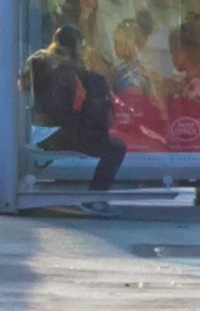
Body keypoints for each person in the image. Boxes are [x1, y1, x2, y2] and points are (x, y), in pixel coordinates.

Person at [23, 32, 124, 195]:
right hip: (56, 134)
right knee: (116, 148)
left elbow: (23, 85)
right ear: (76, 49)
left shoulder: (39, 60)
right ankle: (95, 196)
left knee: (103, 139)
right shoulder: (71, 70)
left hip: (40, 132)